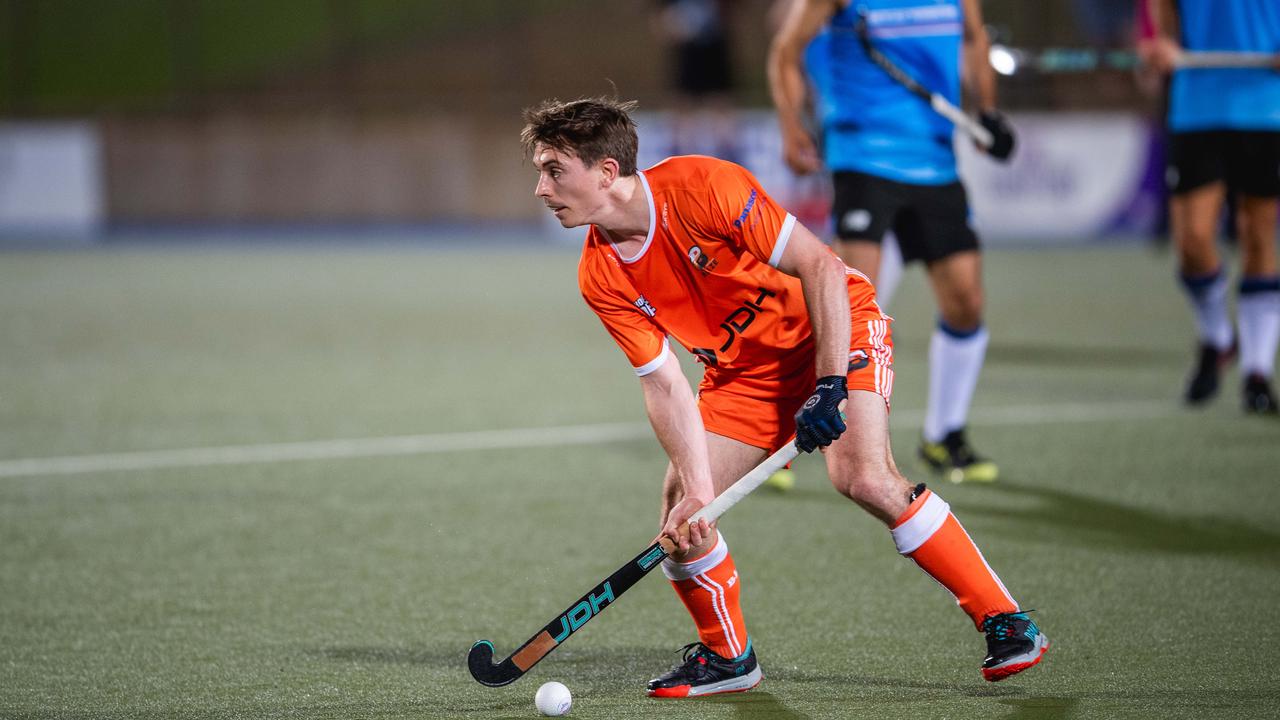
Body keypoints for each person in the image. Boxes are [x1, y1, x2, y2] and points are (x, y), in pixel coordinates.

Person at [520, 96, 1048, 697]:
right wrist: (697, 487)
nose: (541, 188)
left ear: (607, 173)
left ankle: (1005, 620)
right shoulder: (599, 274)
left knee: (863, 477)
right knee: (681, 511)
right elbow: (664, 384)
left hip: (831, 327)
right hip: (743, 373)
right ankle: (728, 658)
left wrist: (829, 385)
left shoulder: (703, 186)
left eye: (554, 170)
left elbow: (821, 266)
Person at [768, 0, 1017, 483]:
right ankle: (778, 432)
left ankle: (944, 435)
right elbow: (787, 49)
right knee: (847, 304)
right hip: (864, 156)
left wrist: (986, 110)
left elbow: (973, 38)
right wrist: (790, 125)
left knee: (965, 301)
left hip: (936, 161)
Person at [1148, 0, 1280, 413]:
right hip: (1197, 103)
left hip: (1264, 104)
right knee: (1193, 241)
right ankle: (1219, 336)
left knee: (1257, 235)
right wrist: (1164, 42)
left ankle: (1257, 373)